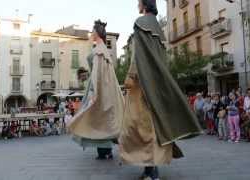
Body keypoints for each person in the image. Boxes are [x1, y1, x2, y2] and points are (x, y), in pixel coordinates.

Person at [119, 1, 202, 179]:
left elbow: (138, 54)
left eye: (138, 2)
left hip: (142, 86)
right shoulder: (158, 28)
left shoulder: (140, 23)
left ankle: (152, 170)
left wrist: (131, 75)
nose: (137, 5)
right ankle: (148, 169)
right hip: (155, 84)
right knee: (153, 126)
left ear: (144, 4)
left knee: (141, 127)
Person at [68, 20, 124, 160]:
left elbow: (98, 74)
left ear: (97, 33)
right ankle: (104, 150)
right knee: (101, 120)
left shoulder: (99, 51)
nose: (91, 34)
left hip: (98, 91)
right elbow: (100, 74)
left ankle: (105, 150)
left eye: (93, 31)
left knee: (97, 119)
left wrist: (95, 93)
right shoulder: (103, 50)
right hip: (104, 90)